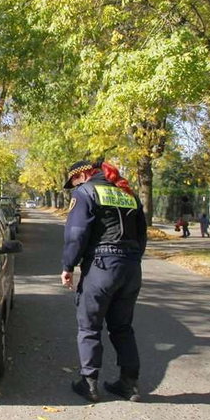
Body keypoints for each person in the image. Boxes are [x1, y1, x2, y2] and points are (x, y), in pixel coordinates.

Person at [61, 159, 147, 402]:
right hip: (130, 268)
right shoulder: (128, 193)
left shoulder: (86, 192)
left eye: (74, 180)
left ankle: (89, 384)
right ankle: (129, 384)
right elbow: (142, 233)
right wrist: (131, 260)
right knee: (122, 327)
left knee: (89, 326)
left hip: (101, 266)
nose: (73, 186)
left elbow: (76, 233)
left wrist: (68, 265)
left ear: (84, 174)